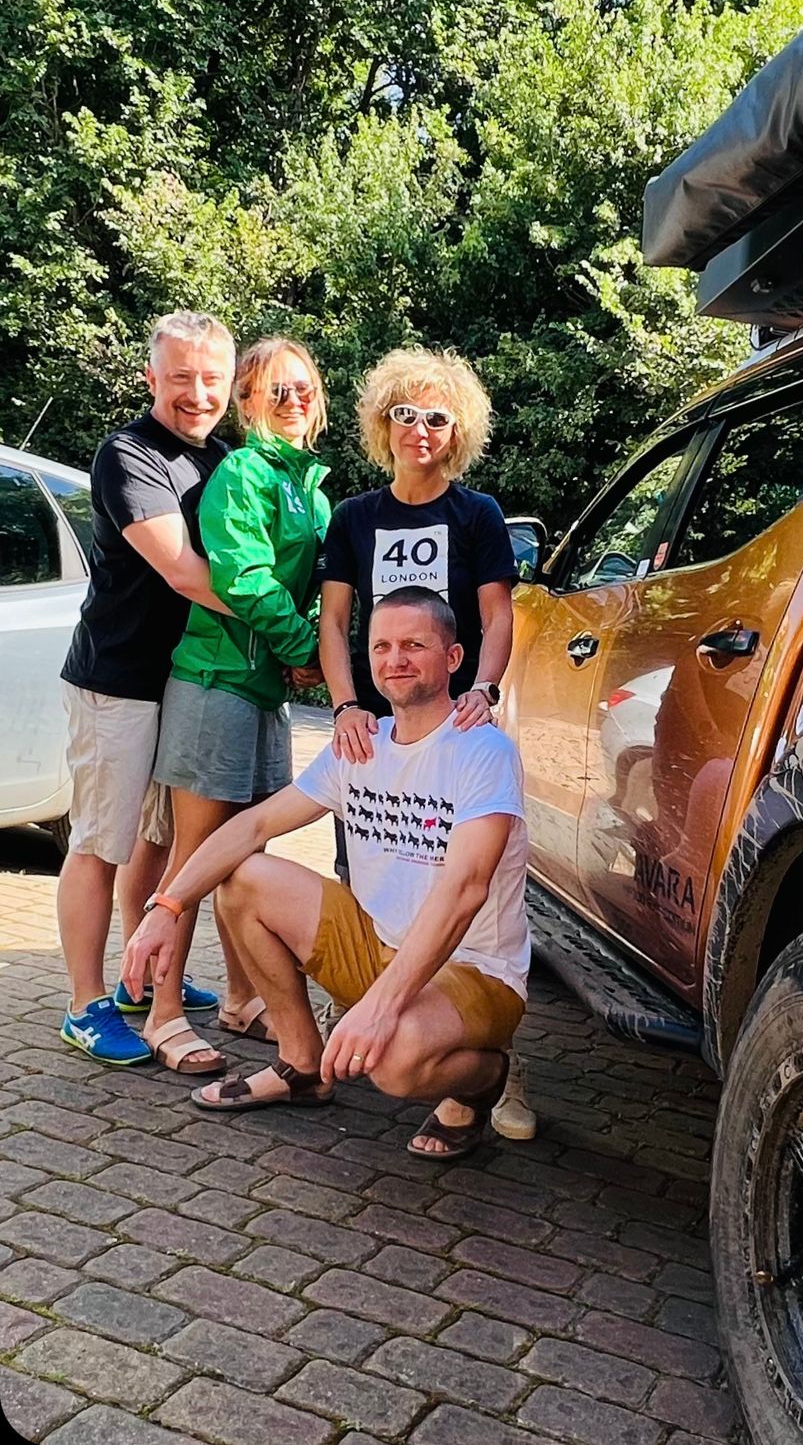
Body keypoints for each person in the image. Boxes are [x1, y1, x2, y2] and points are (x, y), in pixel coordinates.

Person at [121, 587, 529, 1162]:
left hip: (473, 968)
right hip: (376, 944)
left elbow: (465, 890)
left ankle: (481, 1082)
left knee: (393, 1064)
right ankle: (301, 1065)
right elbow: (253, 825)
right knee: (244, 878)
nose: (396, 660)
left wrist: (380, 1009)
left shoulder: (482, 750)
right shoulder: (361, 745)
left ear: (453, 657)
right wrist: (167, 907)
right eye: (382, 646)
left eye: (414, 645)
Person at [318, 345, 536, 1141]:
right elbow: (334, 620)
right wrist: (345, 703)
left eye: (436, 417)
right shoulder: (355, 517)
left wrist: (485, 687)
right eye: (404, 413)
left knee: (466, 876)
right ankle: (370, 1007)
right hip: (378, 728)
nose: (419, 428)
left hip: (458, 719)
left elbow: (499, 615)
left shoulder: (476, 515)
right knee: (369, 863)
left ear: (457, 430)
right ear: (384, 422)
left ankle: (489, 1055)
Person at [141, 337, 332, 1074]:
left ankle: (241, 997)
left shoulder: (310, 487)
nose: (294, 401)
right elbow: (246, 578)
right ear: (247, 401)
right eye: (277, 390)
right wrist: (305, 648)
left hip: (264, 691)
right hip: (214, 682)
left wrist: (309, 646)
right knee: (195, 860)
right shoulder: (244, 473)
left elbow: (314, 591)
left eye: (304, 388)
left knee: (248, 856)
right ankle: (162, 1013)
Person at [57, 311, 235, 1065]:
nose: (198, 393)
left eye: (212, 378)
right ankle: (83, 1003)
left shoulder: (222, 457)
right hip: (118, 682)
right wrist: (284, 626)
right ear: (151, 377)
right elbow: (184, 571)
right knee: (102, 843)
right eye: (181, 376)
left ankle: (138, 976)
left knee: (155, 841)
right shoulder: (127, 454)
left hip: (183, 680)